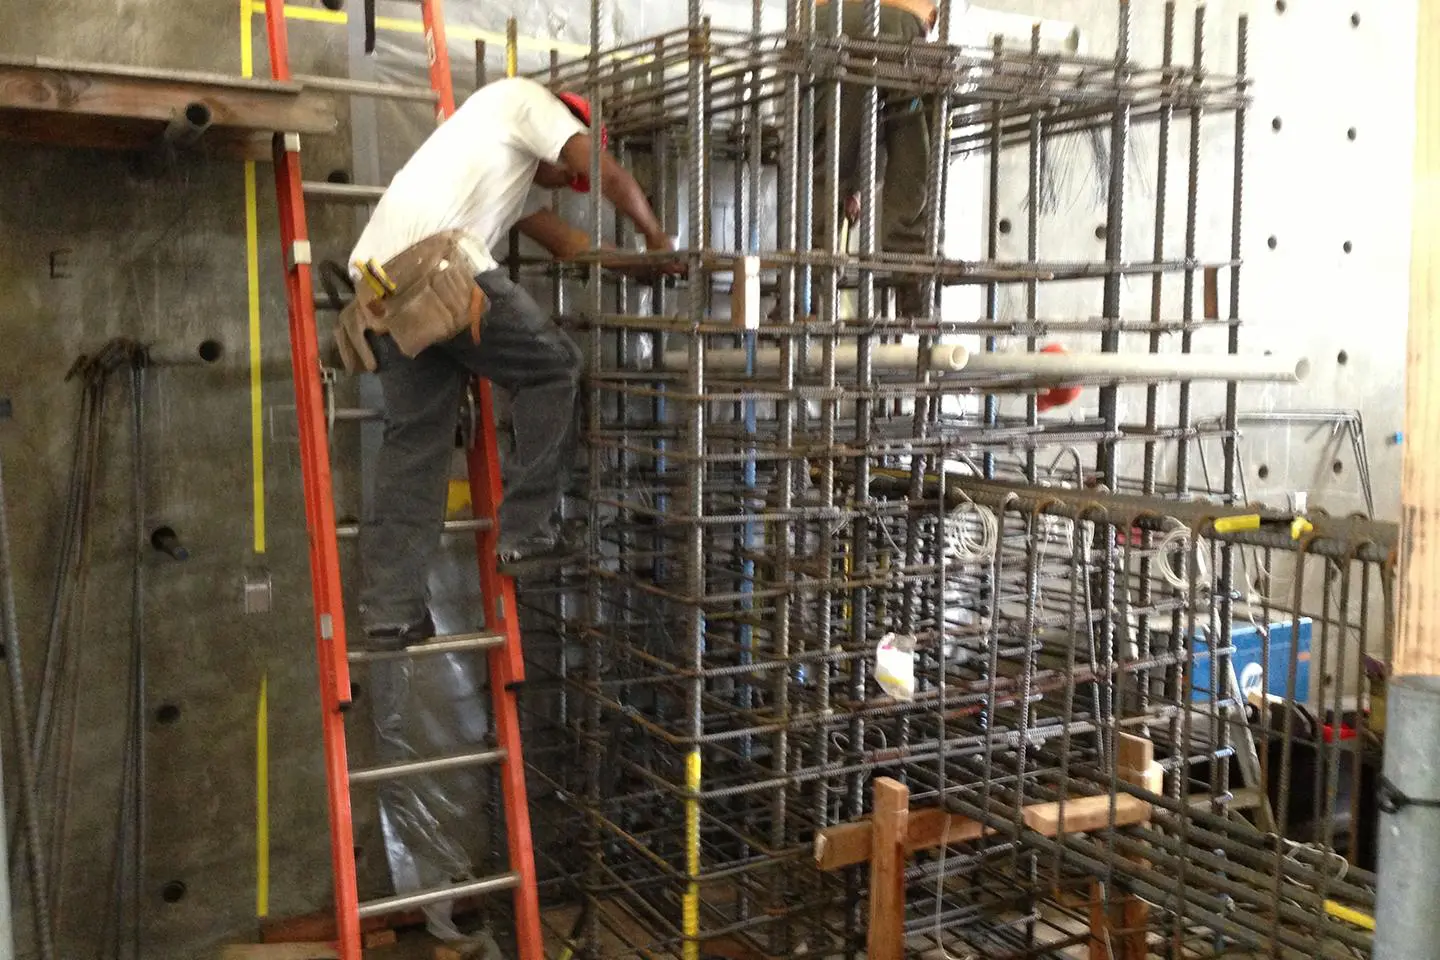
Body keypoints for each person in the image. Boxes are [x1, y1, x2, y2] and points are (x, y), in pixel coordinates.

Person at [338, 76, 673, 650]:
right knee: (554, 367)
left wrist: (635, 267)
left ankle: (389, 611)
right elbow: (609, 174)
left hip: (379, 289)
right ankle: (529, 532)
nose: (570, 182)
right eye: (569, 171)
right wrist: (658, 238)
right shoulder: (526, 99)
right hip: (438, 269)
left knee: (415, 444)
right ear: (566, 128)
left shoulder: (493, 158)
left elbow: (569, 245)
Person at [814, 0, 938, 316]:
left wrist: (855, 185)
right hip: (901, 16)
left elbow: (862, 136)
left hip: (830, 17)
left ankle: (811, 287)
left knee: (826, 156)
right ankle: (913, 282)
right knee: (912, 153)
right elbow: (888, 142)